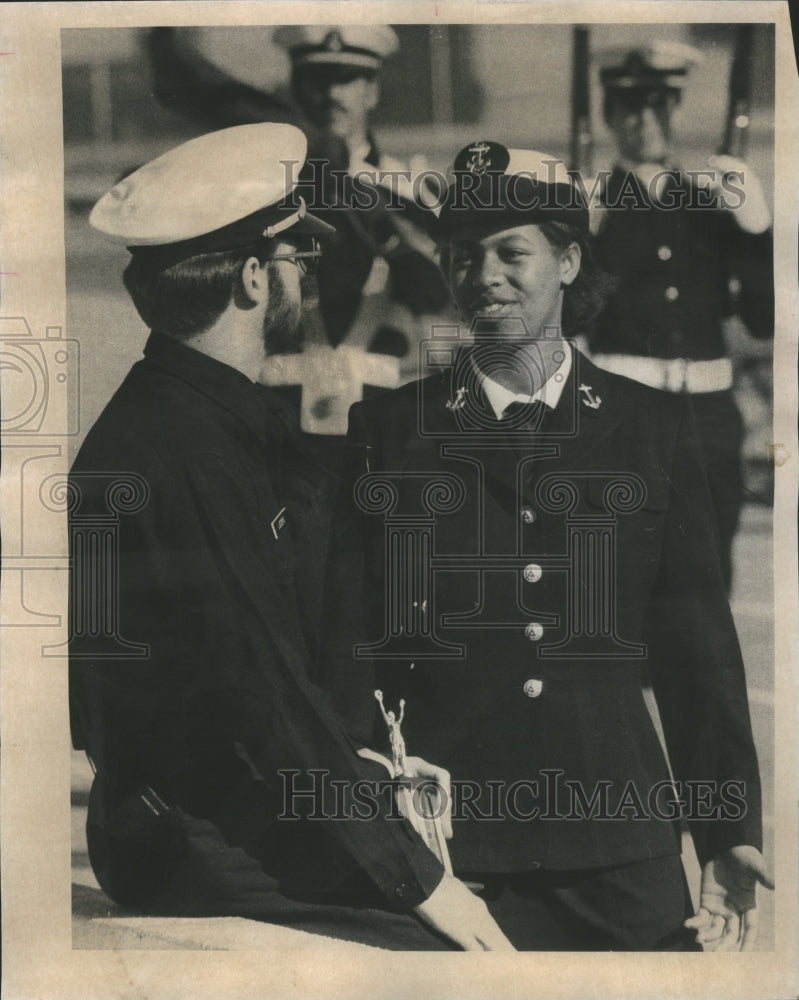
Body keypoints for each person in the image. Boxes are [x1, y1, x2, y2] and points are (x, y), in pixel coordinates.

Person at [68, 122, 512, 952]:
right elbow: (263, 689)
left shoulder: (199, 421)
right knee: (455, 948)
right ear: (248, 277)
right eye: (295, 260)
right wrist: (420, 881)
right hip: (200, 843)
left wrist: (373, 769)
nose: (306, 278)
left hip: (223, 807)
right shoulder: (184, 451)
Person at [343, 140, 773, 950]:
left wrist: (722, 831)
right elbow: (354, 649)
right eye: (464, 255)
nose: (484, 275)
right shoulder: (391, 431)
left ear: (570, 261)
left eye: (513, 251)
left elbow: (695, 650)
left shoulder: (650, 428)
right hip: (454, 852)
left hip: (619, 844)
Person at [149, 25, 452, 436]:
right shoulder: (254, 194)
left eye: (346, 79)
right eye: (316, 80)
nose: (331, 95)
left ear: (373, 90)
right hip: (274, 417)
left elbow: (442, 299)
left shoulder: (410, 189)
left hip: (383, 417)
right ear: (293, 86)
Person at [587, 41, 774, 590]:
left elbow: (763, 320)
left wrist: (757, 230)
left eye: (658, 104)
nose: (644, 120)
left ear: (675, 109)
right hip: (626, 413)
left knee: (709, 578)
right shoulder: (591, 207)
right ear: (609, 116)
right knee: (626, 576)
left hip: (708, 416)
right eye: (629, 107)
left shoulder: (710, 204)